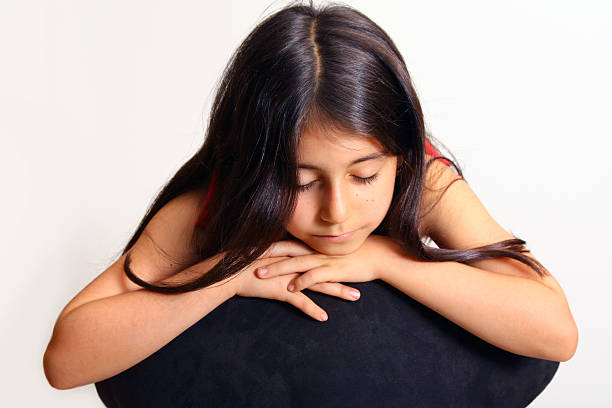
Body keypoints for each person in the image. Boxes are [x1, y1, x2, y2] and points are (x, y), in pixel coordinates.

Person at [43, 1, 577, 404]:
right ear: (252, 168)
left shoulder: (424, 183)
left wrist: (385, 260)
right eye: (300, 183)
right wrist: (227, 276)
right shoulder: (210, 205)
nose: (337, 211)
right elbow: (66, 361)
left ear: (399, 157)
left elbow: (554, 330)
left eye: (365, 175)